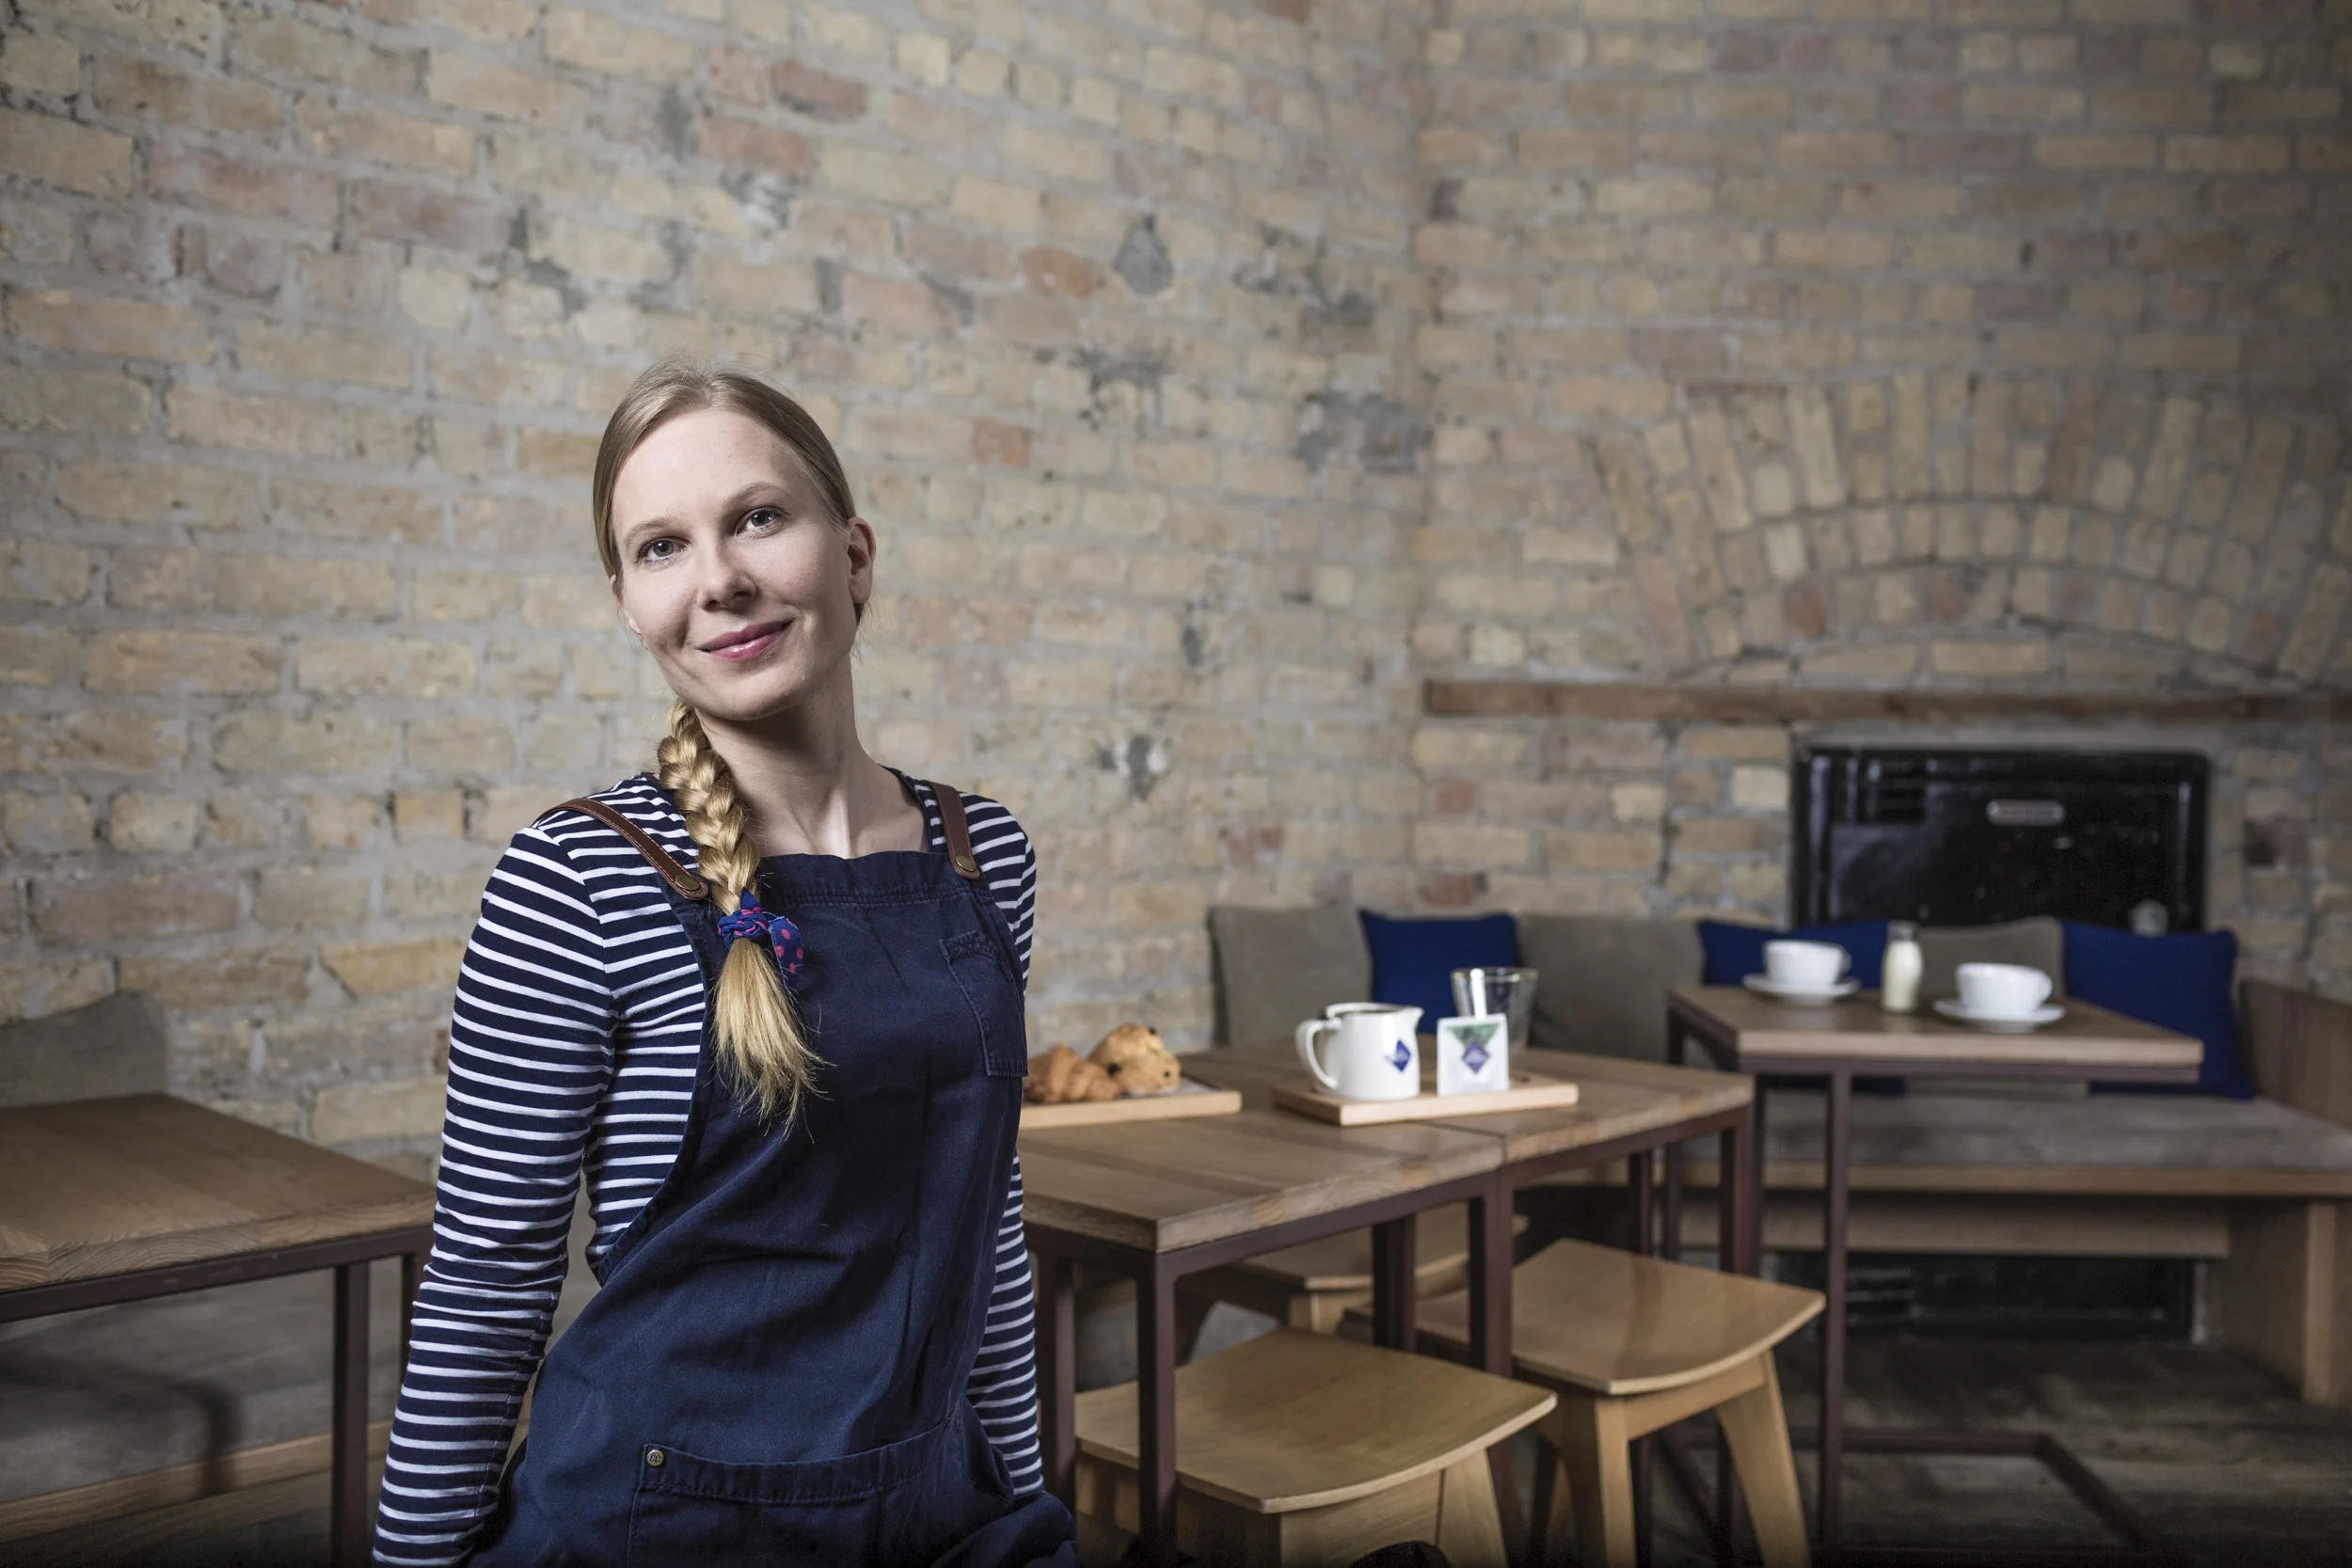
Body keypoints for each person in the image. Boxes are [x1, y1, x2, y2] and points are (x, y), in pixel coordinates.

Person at [372, 361, 1075, 1566]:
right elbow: (485, 1286)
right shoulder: (574, 879)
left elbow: (984, 1221)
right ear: (627, 603)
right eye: (661, 547)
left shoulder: (981, 853)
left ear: (853, 553)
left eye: (756, 518)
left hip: (933, 1504)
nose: (718, 580)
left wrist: (1013, 1491)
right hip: (656, 1525)